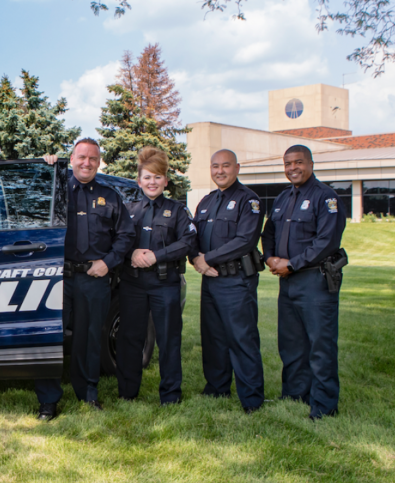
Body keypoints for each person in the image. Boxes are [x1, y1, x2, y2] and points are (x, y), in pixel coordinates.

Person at [35, 138, 135, 420]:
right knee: (51, 338)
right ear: (72, 157)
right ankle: (48, 401)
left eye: (92, 158)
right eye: (81, 157)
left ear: (99, 161)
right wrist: (47, 166)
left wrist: (108, 262)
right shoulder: (56, 187)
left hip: (93, 277)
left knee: (89, 338)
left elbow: (126, 235)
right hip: (57, 276)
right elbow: (32, 201)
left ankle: (88, 393)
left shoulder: (109, 195)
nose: (86, 163)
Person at [261, 144, 346, 420]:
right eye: (287, 163)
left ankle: (323, 406)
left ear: (310, 163)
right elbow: (269, 231)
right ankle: (295, 395)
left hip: (315, 281)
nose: (292, 168)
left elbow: (327, 241)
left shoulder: (326, 197)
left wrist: (292, 264)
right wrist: (271, 258)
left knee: (320, 345)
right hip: (287, 283)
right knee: (291, 343)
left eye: (298, 162)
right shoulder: (283, 198)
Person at [117, 147, 196, 404]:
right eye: (147, 177)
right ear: (139, 181)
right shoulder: (128, 210)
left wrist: (156, 255)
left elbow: (187, 242)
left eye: (157, 177)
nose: (152, 182)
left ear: (165, 180)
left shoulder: (178, 211)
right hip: (133, 284)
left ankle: (170, 395)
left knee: (168, 339)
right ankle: (128, 392)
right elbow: (115, 240)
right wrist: (131, 253)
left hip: (165, 283)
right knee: (130, 337)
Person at [190, 149, 265, 413]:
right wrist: (195, 259)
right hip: (210, 281)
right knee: (213, 338)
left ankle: (252, 399)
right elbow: (193, 237)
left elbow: (245, 241)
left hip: (236, 281)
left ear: (237, 168)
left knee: (241, 338)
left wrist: (207, 258)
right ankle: (216, 388)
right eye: (215, 166)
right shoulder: (207, 201)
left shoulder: (249, 201)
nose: (219, 171)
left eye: (225, 166)